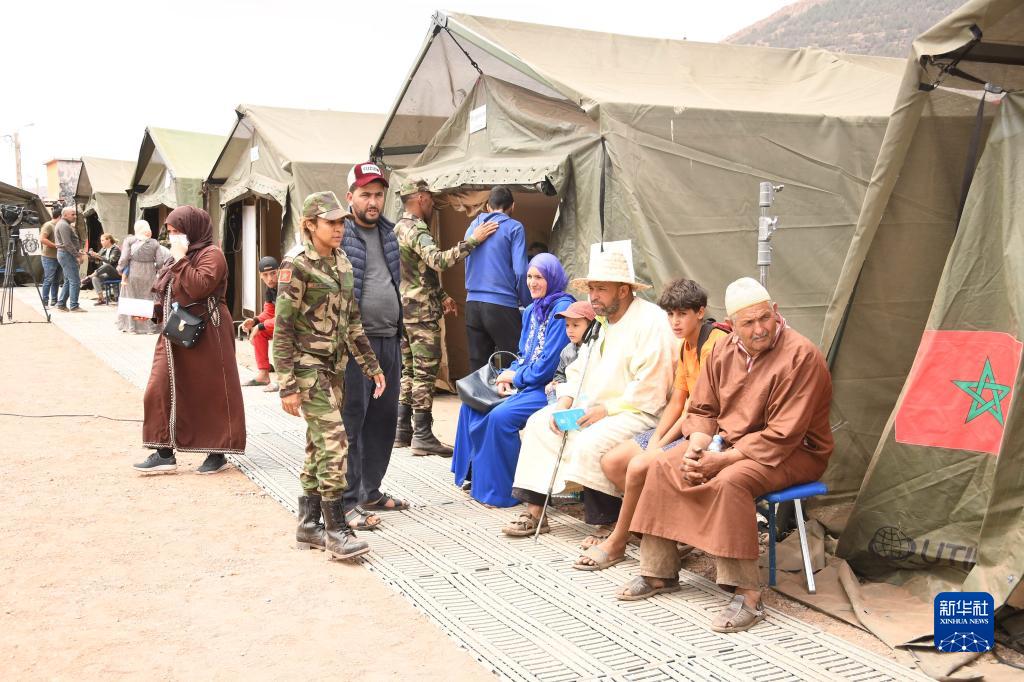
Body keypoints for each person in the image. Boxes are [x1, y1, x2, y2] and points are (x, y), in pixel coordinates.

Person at [621, 277, 834, 634]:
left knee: (731, 481)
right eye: (748, 323)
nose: (759, 329)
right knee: (661, 464)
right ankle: (659, 572)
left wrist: (722, 460)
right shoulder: (722, 350)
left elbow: (783, 434)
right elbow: (702, 409)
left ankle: (748, 595)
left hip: (794, 452)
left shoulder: (801, 355)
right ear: (732, 326)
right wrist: (697, 447)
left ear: (776, 312)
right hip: (728, 444)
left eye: (764, 318)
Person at [502, 250, 676, 537]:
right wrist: (565, 402)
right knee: (540, 424)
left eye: (601, 289)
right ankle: (536, 511)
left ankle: (606, 522)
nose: (593, 296)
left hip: (637, 412)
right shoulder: (604, 322)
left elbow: (652, 388)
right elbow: (579, 369)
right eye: (592, 289)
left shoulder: (651, 322)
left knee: (592, 441)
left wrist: (605, 410)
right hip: (594, 407)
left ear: (623, 290)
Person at [575, 278, 728, 570]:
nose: (675, 321)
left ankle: (619, 539)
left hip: (711, 430)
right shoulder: (686, 346)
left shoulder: (713, 344)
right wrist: (657, 442)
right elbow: (678, 400)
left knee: (638, 466)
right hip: (686, 424)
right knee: (613, 462)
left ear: (700, 312)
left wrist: (655, 450)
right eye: (670, 314)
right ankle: (659, 532)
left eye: (682, 314)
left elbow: (699, 407)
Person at [275, 192, 385, 561]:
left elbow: (353, 321)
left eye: (341, 223)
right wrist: (286, 385)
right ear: (309, 224)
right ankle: (336, 528)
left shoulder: (342, 262)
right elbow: (283, 329)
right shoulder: (298, 265)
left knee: (317, 444)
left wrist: (372, 366)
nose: (339, 229)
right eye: (330, 223)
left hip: (334, 368)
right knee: (335, 440)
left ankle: (308, 524)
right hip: (307, 368)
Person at [451, 254, 575, 506]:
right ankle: (477, 477)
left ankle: (507, 490)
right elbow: (524, 354)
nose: (532, 283)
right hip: (525, 381)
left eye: (539, 277)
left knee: (500, 417)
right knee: (471, 405)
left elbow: (549, 365)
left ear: (552, 278)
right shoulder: (531, 309)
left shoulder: (562, 309)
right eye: (529, 276)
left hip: (548, 388)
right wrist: (507, 377)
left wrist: (516, 377)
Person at [133, 206, 245, 476]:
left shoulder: (212, 255)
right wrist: (151, 312)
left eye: (178, 231)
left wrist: (181, 258)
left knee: (209, 391)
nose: (174, 237)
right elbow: (172, 292)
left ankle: (217, 452)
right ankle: (163, 451)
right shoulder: (178, 257)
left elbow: (199, 286)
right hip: (176, 331)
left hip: (209, 331)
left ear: (193, 229)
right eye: (170, 232)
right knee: (158, 387)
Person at [394, 179, 498, 456]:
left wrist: (442, 296)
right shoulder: (417, 229)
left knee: (409, 369)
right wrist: (473, 241)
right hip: (420, 312)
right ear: (420, 198)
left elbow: (415, 273)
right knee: (426, 373)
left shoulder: (396, 228)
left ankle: (402, 430)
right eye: (429, 197)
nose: (432, 203)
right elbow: (438, 261)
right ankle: (423, 435)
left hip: (403, 309)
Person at [340, 161, 406, 530]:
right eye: (365, 194)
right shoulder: (339, 232)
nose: (373, 201)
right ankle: (347, 502)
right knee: (352, 421)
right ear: (350, 197)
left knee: (382, 422)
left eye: (379, 194)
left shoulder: (390, 232)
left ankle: (370, 491)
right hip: (355, 345)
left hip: (389, 339)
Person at [463, 186, 531, 373]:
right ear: (513, 206)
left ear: (487, 206)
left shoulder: (473, 227)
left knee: (478, 365)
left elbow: (466, 260)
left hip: (472, 304)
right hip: (501, 304)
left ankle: (475, 402)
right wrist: (527, 302)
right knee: (515, 360)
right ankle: (510, 401)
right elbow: (520, 271)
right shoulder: (514, 227)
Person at [117, 221, 169, 334]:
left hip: (133, 271)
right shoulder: (154, 243)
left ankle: (132, 328)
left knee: (132, 299)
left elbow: (124, 257)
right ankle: (150, 328)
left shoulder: (130, 240)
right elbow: (160, 261)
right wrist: (155, 267)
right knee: (149, 299)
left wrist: (120, 268)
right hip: (149, 272)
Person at [240, 256, 280, 390]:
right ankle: (263, 375)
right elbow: (269, 313)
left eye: (273, 273)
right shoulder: (270, 289)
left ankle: (285, 380)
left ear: (279, 271)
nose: (270, 278)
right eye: (265, 275)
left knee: (282, 335)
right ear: (260, 276)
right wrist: (255, 321)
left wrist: (261, 325)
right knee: (259, 333)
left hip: (300, 326)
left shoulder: (286, 286)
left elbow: (286, 318)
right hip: (286, 323)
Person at [54, 206, 85, 312]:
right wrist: (77, 255)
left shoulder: (65, 224)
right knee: (75, 281)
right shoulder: (63, 225)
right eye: (73, 214)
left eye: (75, 214)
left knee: (68, 280)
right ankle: (74, 306)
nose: (75, 216)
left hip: (66, 254)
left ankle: (61, 304)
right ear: (65, 215)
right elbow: (67, 243)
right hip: (67, 255)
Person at [87, 234, 122, 305]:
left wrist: (98, 256)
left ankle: (90, 276)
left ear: (108, 240)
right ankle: (101, 298)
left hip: (116, 273)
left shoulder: (116, 249)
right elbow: (96, 260)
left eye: (102, 240)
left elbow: (110, 261)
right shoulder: (103, 249)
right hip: (105, 274)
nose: (101, 242)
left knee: (107, 266)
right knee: (95, 278)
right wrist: (91, 256)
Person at [39, 209, 61, 307]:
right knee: (49, 279)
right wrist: (56, 245)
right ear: (60, 216)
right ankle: (45, 301)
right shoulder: (48, 225)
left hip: (59, 256)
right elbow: (42, 239)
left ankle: (54, 300)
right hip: (49, 257)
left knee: (56, 280)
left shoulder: (60, 226)